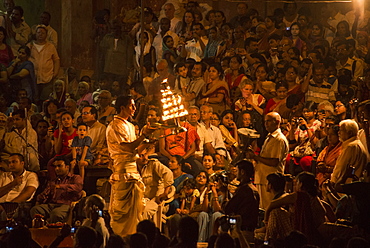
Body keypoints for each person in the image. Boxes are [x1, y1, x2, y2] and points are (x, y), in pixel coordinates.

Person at [106, 95, 156, 237]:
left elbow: (136, 150)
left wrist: (147, 141)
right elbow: (128, 148)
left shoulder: (130, 126)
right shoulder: (115, 125)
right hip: (123, 172)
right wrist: (143, 135)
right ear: (122, 107)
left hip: (134, 172)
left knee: (135, 213)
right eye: (131, 106)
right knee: (122, 214)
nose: (134, 109)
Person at [246, 112, 289, 209]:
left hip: (271, 181)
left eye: (269, 121)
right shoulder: (269, 137)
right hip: (263, 178)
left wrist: (255, 157)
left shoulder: (279, 139)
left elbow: (274, 162)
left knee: (269, 208)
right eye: (265, 121)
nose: (266, 124)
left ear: (277, 122)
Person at [30, 156, 83, 223]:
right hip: (52, 204)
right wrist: (42, 196)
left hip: (67, 205)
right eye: (55, 167)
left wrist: (60, 186)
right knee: (35, 210)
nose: (57, 169)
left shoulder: (75, 178)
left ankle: (55, 232)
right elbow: (45, 193)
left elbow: (78, 188)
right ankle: (40, 231)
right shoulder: (53, 180)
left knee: (55, 214)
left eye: (59, 166)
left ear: (67, 167)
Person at [223, 160, 259, 243]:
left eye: (237, 170)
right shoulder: (254, 189)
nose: (236, 174)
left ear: (242, 172)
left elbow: (227, 209)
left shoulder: (244, 190)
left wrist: (225, 193)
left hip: (241, 231)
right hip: (250, 232)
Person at [136, 144, 174, 220]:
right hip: (142, 199)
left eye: (145, 155)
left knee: (145, 211)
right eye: (141, 156)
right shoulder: (133, 168)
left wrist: (165, 193)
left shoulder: (153, 164)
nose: (145, 158)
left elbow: (168, 173)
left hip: (155, 199)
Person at [0, 153, 38, 220]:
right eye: (9, 162)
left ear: (22, 163)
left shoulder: (30, 175)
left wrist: (9, 206)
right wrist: (12, 184)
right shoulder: (4, 176)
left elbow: (28, 194)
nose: (11, 165)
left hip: (20, 205)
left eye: (14, 162)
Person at [28, 25, 60, 102]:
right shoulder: (30, 46)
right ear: (35, 34)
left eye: (43, 33)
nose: (40, 34)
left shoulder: (51, 47)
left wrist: (54, 74)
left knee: (45, 100)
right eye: (38, 32)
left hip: (47, 78)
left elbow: (56, 60)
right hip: (33, 79)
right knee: (33, 99)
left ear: (46, 35)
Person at [331, 119, 368, 184]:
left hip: (346, 186)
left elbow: (340, 168)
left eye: (341, 130)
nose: (338, 133)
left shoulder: (351, 147)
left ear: (350, 133)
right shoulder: (355, 144)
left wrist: (333, 182)